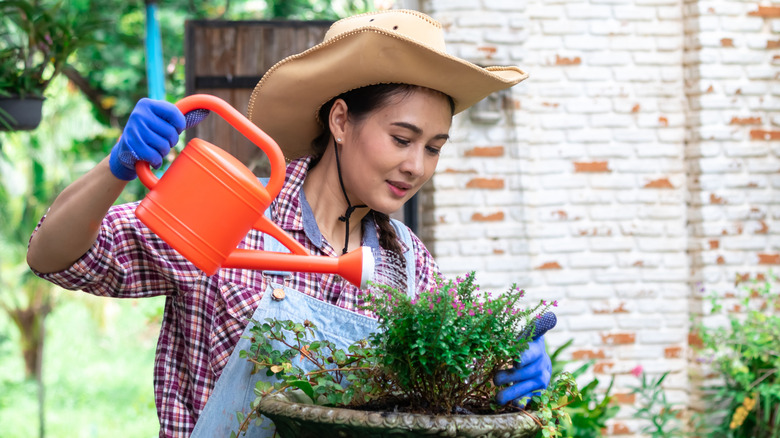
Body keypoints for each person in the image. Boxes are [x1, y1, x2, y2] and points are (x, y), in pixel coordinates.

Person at [27, 9, 551, 438]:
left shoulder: (407, 265)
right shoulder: (233, 215)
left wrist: (511, 358)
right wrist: (115, 168)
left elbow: (458, 381)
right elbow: (55, 258)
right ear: (341, 120)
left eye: (434, 148)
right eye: (401, 138)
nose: (418, 165)